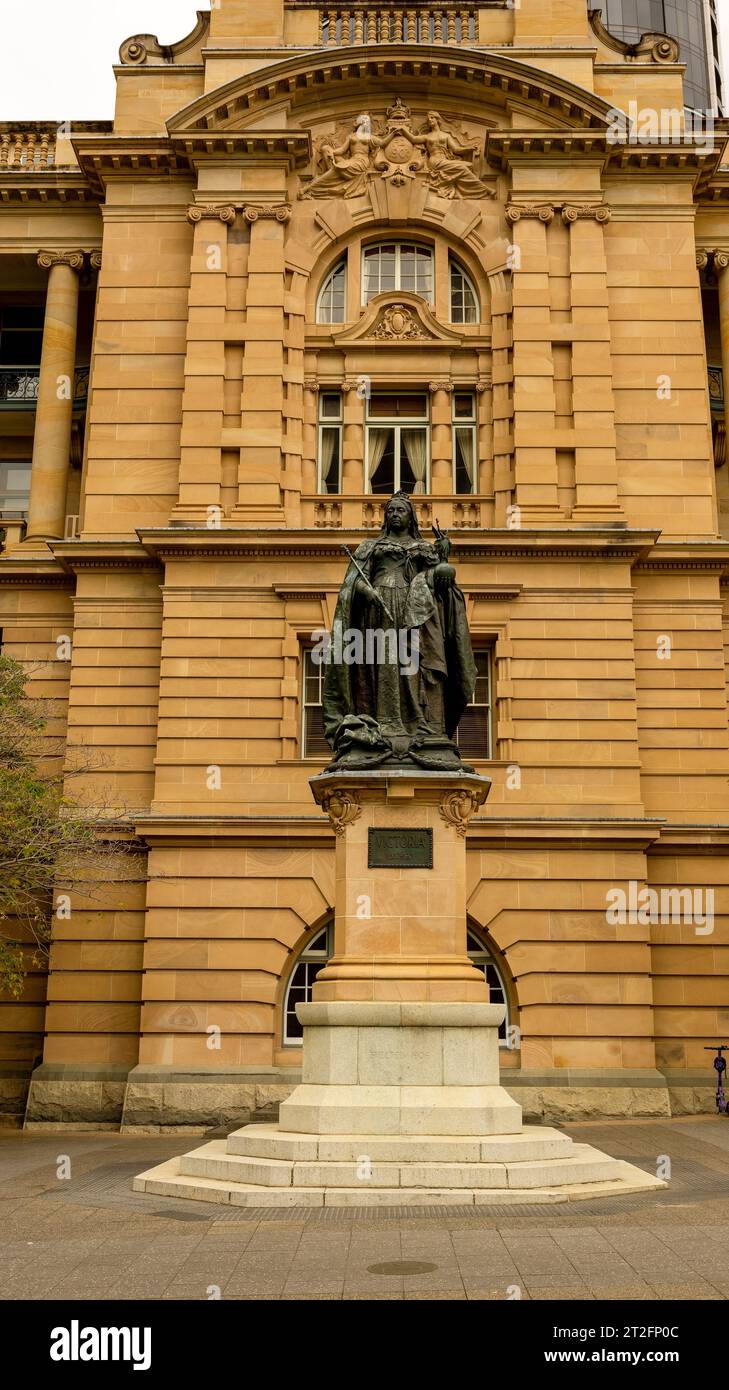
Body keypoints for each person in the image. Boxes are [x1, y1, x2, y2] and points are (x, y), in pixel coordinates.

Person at [323, 492, 477, 768]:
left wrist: (442, 556)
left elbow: (441, 583)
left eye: (400, 510)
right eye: (391, 510)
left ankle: (420, 722)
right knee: (382, 665)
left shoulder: (422, 547)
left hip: (416, 612)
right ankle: (382, 721)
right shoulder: (372, 546)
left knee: (414, 667)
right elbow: (352, 582)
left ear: (411, 516)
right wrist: (365, 592)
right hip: (378, 611)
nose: (395, 514)